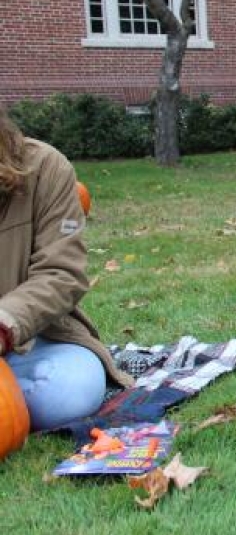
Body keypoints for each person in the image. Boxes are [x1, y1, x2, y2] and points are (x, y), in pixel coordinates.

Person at [0, 105, 133, 432]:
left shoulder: (44, 168)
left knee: (72, 390)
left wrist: (6, 323)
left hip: (29, 337)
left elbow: (61, 274)